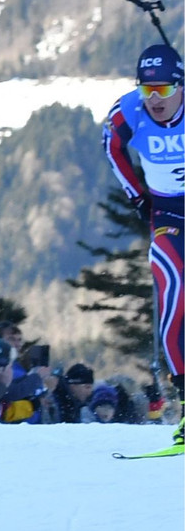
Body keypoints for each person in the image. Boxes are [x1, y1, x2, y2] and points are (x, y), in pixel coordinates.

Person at [101, 42, 183, 447]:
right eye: (148, 91)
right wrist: (137, 195)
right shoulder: (129, 110)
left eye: (164, 91)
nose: (156, 101)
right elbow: (111, 145)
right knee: (173, 305)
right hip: (169, 216)